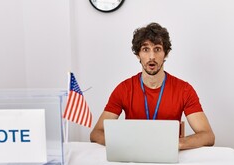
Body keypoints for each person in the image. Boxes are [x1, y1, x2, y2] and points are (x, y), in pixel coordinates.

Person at [90, 22, 215, 150]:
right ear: (138, 54)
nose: (152, 57)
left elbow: (208, 136)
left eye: (157, 49)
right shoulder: (124, 89)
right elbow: (96, 133)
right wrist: (124, 143)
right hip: (134, 155)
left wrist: (176, 144)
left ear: (165, 53)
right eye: (145, 49)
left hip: (168, 154)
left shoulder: (184, 90)